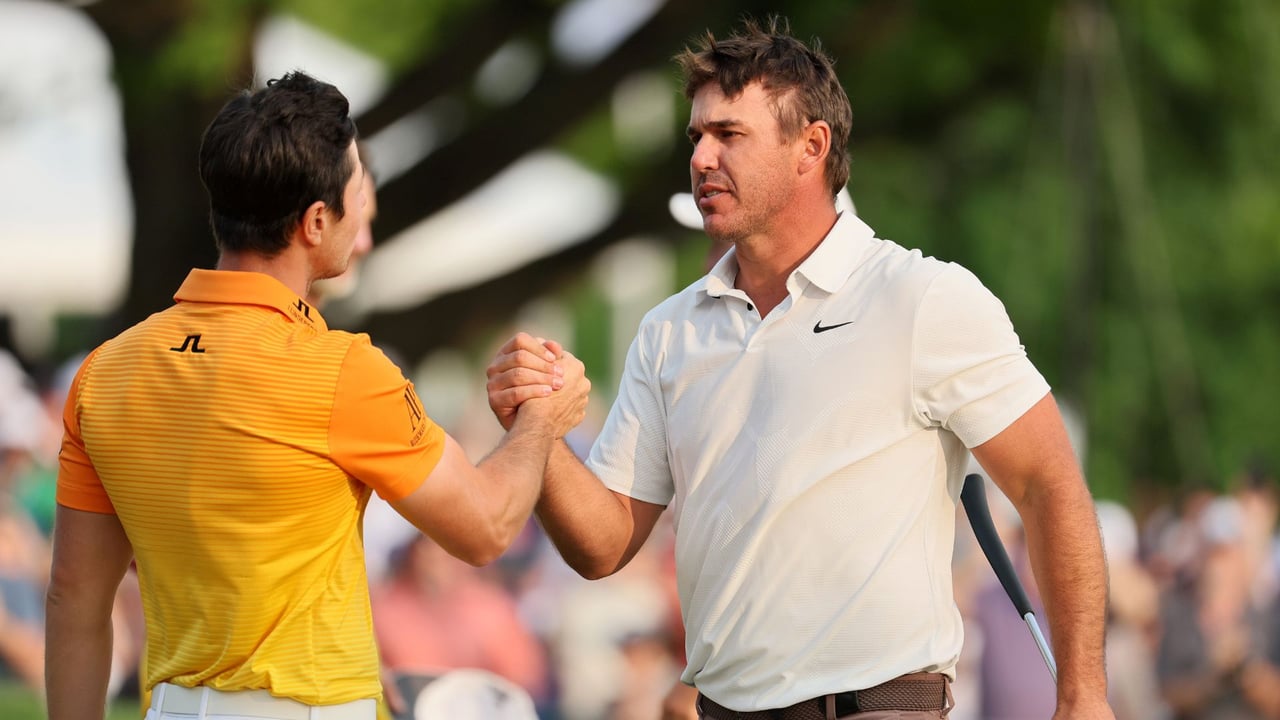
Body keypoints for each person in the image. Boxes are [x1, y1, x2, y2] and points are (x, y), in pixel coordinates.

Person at [487, 16, 1114, 720]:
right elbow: (602, 546)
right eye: (696, 137)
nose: (701, 158)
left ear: (810, 147)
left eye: (729, 134)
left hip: (880, 706)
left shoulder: (922, 297)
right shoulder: (667, 332)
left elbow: (1049, 485)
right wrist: (537, 430)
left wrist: (1084, 697)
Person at [45, 71, 589, 720]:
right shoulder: (344, 369)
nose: (364, 217)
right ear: (316, 221)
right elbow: (487, 529)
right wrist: (541, 419)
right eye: (358, 193)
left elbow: (75, 596)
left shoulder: (105, 369)